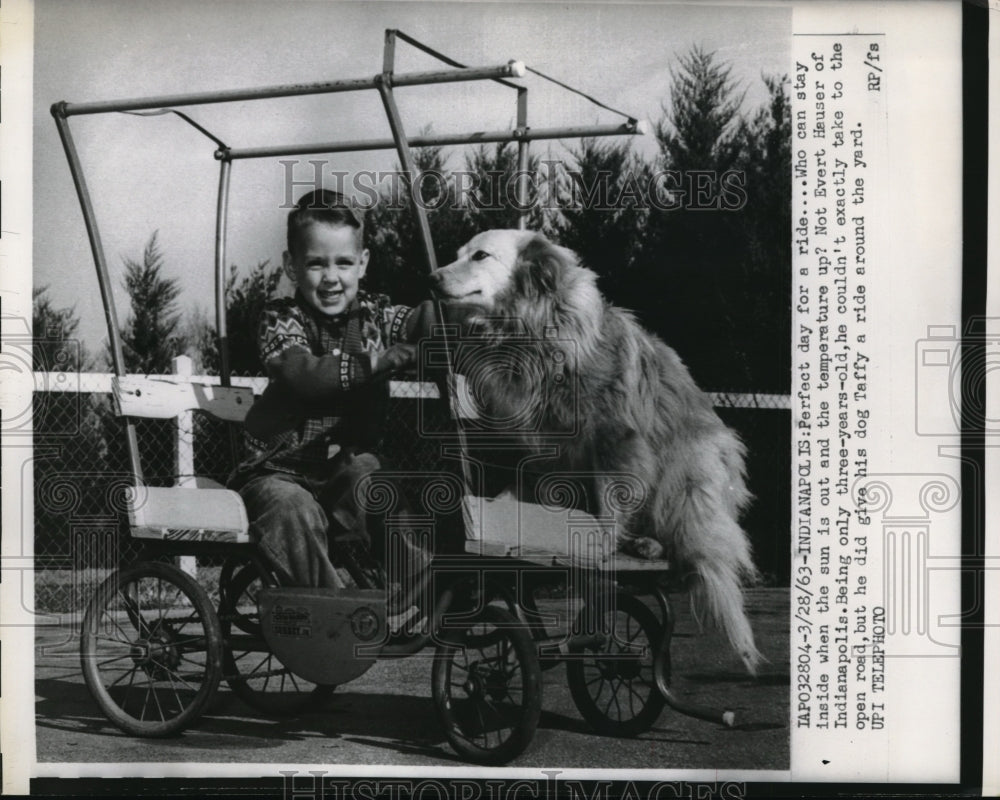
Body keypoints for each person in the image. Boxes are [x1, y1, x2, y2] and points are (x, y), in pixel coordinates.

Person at [229, 189, 443, 592]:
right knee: (291, 509)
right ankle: (330, 605)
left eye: (344, 262)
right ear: (291, 267)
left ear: (362, 264)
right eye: (315, 264)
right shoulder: (281, 318)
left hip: (340, 473)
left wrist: (446, 313)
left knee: (374, 476)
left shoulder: (375, 314)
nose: (331, 277)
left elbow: (418, 322)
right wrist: (381, 361)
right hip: (278, 473)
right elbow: (303, 375)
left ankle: (422, 583)